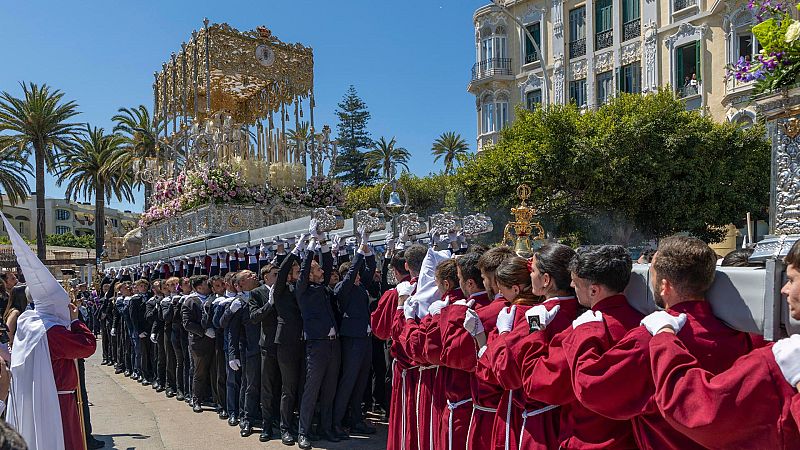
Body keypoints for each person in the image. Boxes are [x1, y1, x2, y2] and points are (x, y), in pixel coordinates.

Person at [563, 236, 765, 448]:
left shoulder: (650, 338)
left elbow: (593, 388)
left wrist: (585, 331)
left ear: (665, 286)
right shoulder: (739, 334)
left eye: (652, 275)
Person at [638, 239, 800, 449]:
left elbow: (697, 409)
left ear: (665, 285)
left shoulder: (785, 358)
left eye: (791, 279)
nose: (784, 289)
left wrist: (663, 336)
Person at [519, 245, 639, 449]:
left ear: (594, 290)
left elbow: (537, 383)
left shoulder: (582, 330)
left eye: (576, 282)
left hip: (588, 439)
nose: (572, 285)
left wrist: (535, 329)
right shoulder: (644, 323)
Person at [4, 213, 97, 450]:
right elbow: (87, 346)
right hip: (58, 400)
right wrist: (75, 322)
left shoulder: (28, 322)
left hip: (37, 397)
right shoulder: (51, 331)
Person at [483, 243, 578, 450]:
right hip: (568, 420)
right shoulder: (579, 310)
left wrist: (502, 334)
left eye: (533, 271)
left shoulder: (535, 317)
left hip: (539, 426)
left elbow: (506, 372)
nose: (530, 275)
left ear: (546, 280)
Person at [437, 246, 515, 450]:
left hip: (488, 407)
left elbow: (451, 354)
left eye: (484, 277)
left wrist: (451, 313)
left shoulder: (485, 313)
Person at [295, 223, 339, 449]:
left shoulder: (322, 287)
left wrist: (323, 241)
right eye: (319, 270)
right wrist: (311, 245)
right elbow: (304, 271)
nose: (323, 272)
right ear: (311, 274)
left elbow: (328, 263)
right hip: (316, 345)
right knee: (311, 391)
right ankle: (303, 432)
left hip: (333, 344)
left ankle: (326, 428)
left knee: (330, 389)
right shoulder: (303, 289)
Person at [332, 229, 377, 438]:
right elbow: (352, 274)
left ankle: (356, 420)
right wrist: (359, 250)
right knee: (348, 381)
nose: (360, 276)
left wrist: (367, 248)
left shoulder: (359, 287)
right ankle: (336, 422)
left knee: (361, 381)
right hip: (352, 340)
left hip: (365, 338)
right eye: (356, 273)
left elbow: (371, 268)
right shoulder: (342, 288)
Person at [272, 240, 305, 446]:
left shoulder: (301, 288)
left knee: (302, 387)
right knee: (289, 387)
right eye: (297, 271)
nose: (300, 273)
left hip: (304, 342)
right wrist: (294, 251)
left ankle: (302, 426)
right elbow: (283, 270)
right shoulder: (280, 290)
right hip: (286, 343)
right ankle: (285, 427)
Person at [247, 264, 281, 442]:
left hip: (284, 344)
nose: (278, 276)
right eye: (275, 274)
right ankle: (266, 425)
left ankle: (281, 421)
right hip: (267, 344)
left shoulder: (284, 289)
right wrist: (270, 303)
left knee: (283, 386)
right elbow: (254, 317)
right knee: (267, 386)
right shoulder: (257, 293)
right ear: (266, 276)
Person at [182, 275, 216, 413]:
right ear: (199, 287)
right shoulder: (191, 301)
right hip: (199, 342)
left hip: (213, 340)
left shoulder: (212, 298)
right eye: (206, 284)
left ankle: (209, 396)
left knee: (213, 371)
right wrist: (203, 331)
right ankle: (196, 399)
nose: (209, 286)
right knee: (199, 372)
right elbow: (187, 323)